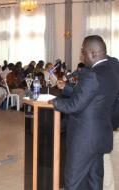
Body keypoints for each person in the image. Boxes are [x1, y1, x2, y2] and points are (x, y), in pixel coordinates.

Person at [49, 35, 119, 189]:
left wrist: (53, 102)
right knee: (95, 180)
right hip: (100, 136)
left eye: (83, 52)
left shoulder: (91, 74)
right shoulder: (113, 68)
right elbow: (90, 96)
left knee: (73, 181)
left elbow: (74, 106)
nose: (82, 55)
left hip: (84, 139)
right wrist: (66, 89)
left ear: (93, 53)